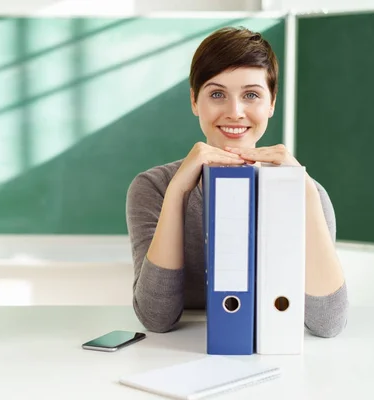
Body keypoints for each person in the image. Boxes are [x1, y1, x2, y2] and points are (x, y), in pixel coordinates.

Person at [125, 26, 348, 338]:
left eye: (251, 95)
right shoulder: (154, 187)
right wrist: (178, 191)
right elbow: (156, 318)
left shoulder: (305, 191)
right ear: (194, 101)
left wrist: (305, 190)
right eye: (217, 94)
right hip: (180, 354)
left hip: (270, 351)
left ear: (271, 103)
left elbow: (327, 324)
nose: (234, 112)